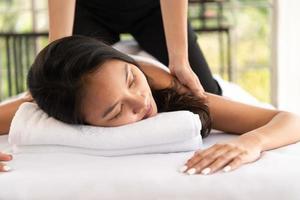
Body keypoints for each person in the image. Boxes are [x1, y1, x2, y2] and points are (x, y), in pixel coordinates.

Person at [1, 36, 300, 175]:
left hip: (154, 42)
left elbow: (289, 119)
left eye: (131, 81)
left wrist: (252, 142)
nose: (141, 103)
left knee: (206, 86)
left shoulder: (163, 87)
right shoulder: (45, 101)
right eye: (115, 112)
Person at [48, 0, 222, 98]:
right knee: (72, 89)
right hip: (90, 10)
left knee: (203, 93)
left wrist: (180, 59)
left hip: (154, 9)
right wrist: (54, 61)